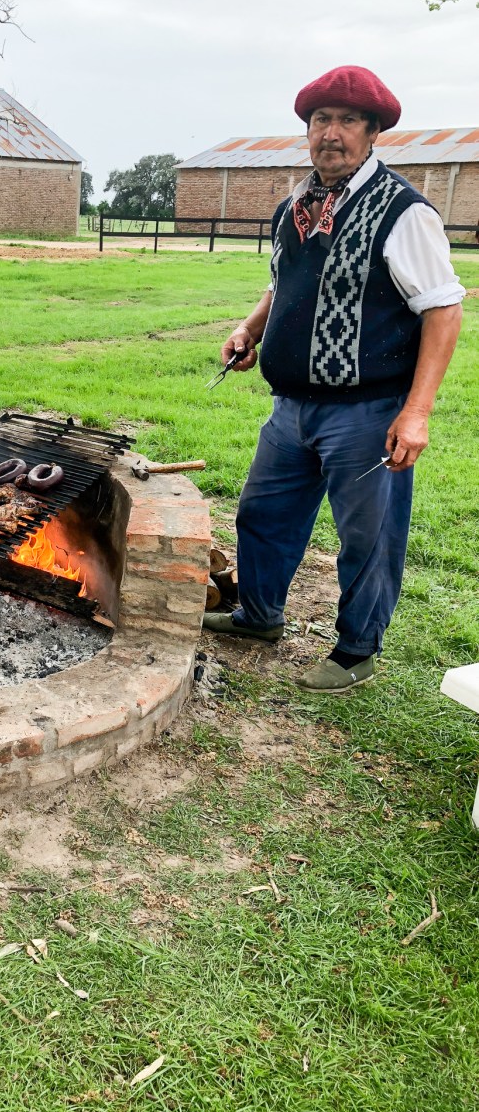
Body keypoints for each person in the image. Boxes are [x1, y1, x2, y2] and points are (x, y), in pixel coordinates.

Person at [203, 65, 464, 693]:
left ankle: (354, 652)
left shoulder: (403, 213)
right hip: (291, 406)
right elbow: (283, 283)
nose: (332, 133)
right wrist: (251, 329)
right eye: (321, 120)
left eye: (348, 121)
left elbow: (443, 308)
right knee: (262, 514)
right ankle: (258, 615)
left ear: (374, 133)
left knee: (367, 536)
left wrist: (418, 411)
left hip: (368, 412)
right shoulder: (293, 207)